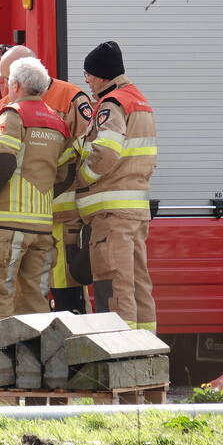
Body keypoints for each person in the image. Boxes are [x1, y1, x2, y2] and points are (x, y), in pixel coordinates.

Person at [0, 57, 72, 337]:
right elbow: (66, 173)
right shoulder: (58, 122)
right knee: (35, 303)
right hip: (41, 228)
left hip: (4, 226)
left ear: (16, 85)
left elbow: (3, 161)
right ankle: (33, 374)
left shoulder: (13, 115)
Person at [0, 46, 94, 314]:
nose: (2, 86)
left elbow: (88, 153)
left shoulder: (71, 98)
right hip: (21, 217)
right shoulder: (7, 103)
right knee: (22, 294)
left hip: (62, 215)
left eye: (4, 79)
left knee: (65, 293)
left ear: (20, 77)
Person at [74, 41, 158, 331]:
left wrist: (82, 176)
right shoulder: (139, 101)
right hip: (134, 211)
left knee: (114, 281)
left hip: (111, 215)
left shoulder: (112, 104)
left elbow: (107, 151)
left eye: (88, 74)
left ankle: (118, 347)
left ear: (101, 75)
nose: (85, 79)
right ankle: (147, 347)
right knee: (137, 282)